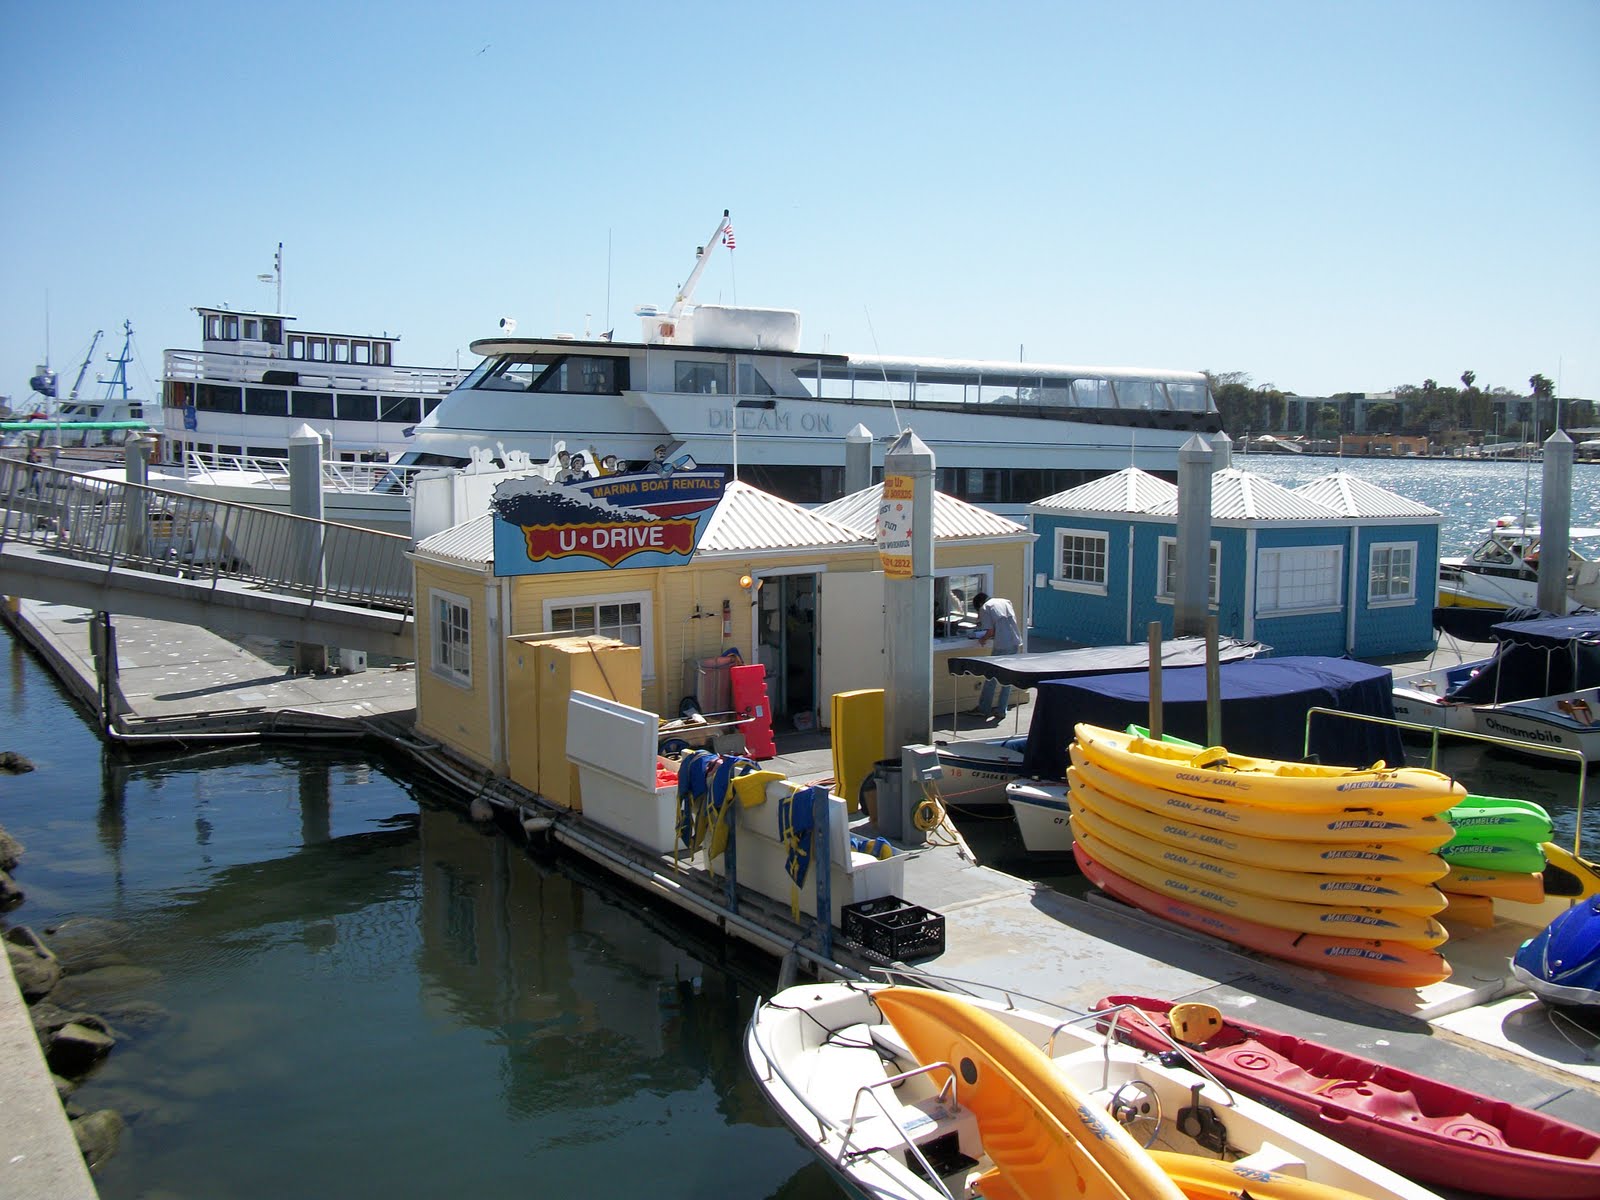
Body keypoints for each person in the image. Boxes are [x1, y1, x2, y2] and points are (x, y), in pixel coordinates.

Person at [967, 591, 1023, 721]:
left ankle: (984, 708)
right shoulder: (1005, 601)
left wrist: (983, 639)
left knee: (991, 676)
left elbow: (990, 631)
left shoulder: (985, 608)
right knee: (1007, 678)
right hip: (1015, 641)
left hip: (1002, 645)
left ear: (979, 604)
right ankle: (1001, 710)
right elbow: (1002, 624)